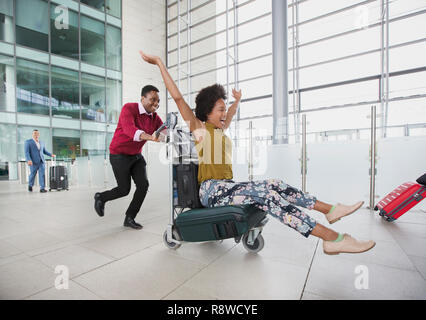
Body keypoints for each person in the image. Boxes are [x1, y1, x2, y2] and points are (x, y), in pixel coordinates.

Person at [139, 50, 376, 255]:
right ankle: (332, 238)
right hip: (211, 190)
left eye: (224, 110)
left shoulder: (221, 130)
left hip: (226, 186)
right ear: (207, 112)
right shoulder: (200, 129)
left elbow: (230, 115)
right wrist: (160, 62)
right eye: (219, 109)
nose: (224, 114)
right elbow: (178, 97)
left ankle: (331, 211)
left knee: (275, 184)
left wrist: (237, 101)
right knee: (268, 196)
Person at [94, 85, 164, 230]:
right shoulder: (129, 108)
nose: (156, 104)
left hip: (136, 155)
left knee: (143, 185)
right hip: (119, 154)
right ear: (142, 98)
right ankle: (101, 197)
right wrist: (150, 137)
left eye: (158, 101)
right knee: (124, 189)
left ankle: (130, 217)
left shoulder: (154, 118)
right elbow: (130, 130)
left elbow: (165, 131)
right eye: (152, 100)